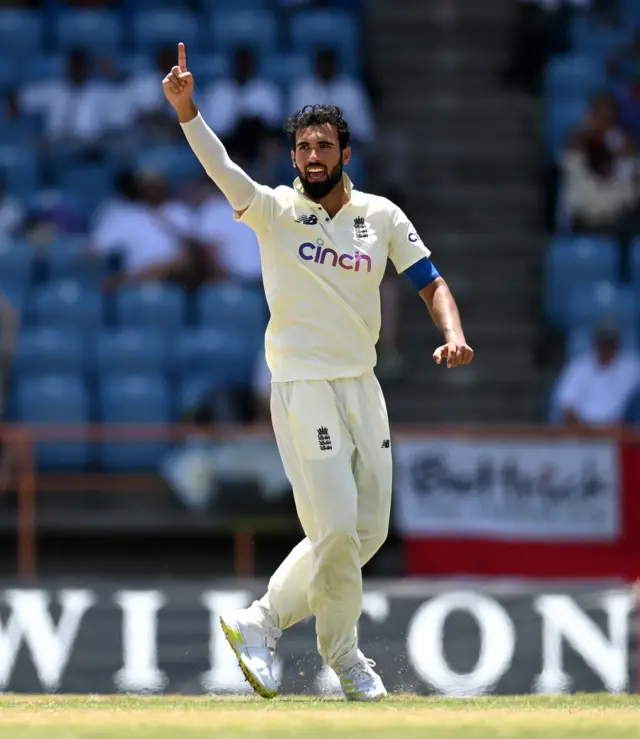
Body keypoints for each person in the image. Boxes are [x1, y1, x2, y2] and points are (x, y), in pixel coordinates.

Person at [163, 42, 474, 702]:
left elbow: (429, 280)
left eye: (322, 146)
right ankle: (345, 657)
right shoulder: (276, 210)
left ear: (344, 154)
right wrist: (189, 113)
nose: (311, 157)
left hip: (362, 383)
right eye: (303, 147)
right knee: (333, 529)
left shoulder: (379, 216)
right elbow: (224, 171)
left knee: (366, 533)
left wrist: (453, 333)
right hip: (302, 384)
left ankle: (260, 619)